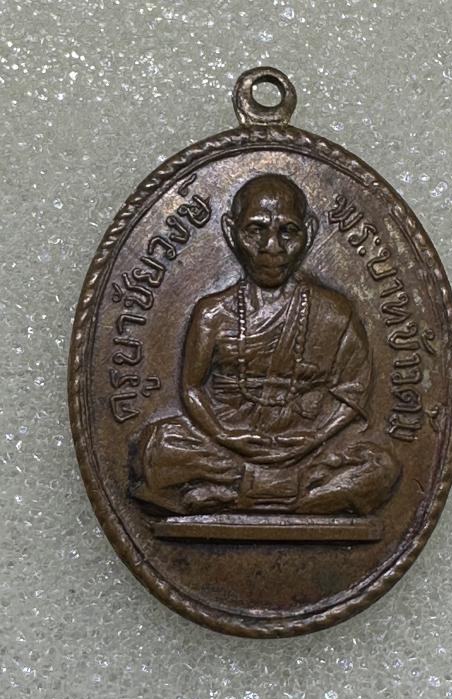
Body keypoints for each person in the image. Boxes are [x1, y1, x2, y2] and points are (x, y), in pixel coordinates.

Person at [132, 174, 400, 515]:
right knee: (157, 448)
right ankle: (297, 499)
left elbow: (353, 392)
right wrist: (226, 436)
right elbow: (193, 388)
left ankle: (235, 497)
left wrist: (315, 437)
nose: (271, 246)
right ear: (230, 232)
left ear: (309, 233)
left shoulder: (335, 312)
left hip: (308, 450)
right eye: (255, 230)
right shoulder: (212, 313)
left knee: (381, 466)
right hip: (227, 449)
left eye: (288, 231)